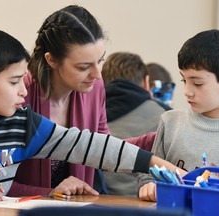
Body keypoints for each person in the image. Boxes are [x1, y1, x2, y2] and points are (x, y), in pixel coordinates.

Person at [0, 26, 186, 202]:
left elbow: (90, 146)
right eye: (15, 82)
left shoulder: (23, 125)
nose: (23, 91)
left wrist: (165, 167)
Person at [10, 5, 159, 197]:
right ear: (52, 60)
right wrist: (51, 192)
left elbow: (103, 151)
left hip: (77, 204)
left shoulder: (94, 88)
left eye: (100, 61)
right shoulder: (19, 94)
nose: (97, 74)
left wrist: (155, 139)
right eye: (83, 67)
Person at [138, 29, 219, 202]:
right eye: (184, 80)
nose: (187, 91)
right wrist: (148, 186)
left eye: (197, 83)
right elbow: (148, 174)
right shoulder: (170, 122)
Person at [100, 52, 171, 197]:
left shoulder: (88, 112)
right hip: (144, 203)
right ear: (146, 82)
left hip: (95, 201)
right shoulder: (166, 116)